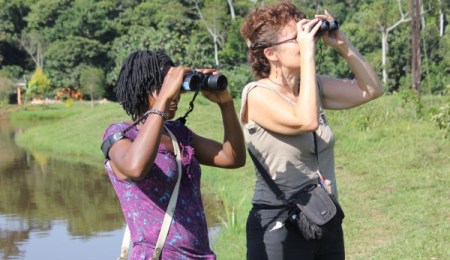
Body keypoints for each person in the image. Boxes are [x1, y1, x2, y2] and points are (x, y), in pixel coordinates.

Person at [239, 2, 383, 260]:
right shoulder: (257, 94)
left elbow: (372, 90)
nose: (307, 39)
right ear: (271, 53)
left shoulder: (312, 87)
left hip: (323, 216)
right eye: (297, 37)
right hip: (280, 224)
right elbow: (306, 121)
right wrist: (308, 55)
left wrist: (342, 45)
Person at [101, 50, 246, 259]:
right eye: (165, 87)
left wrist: (226, 104)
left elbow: (232, 158)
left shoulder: (178, 134)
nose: (175, 95)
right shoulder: (120, 134)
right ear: (143, 88)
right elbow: (136, 167)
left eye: (178, 88)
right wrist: (164, 97)